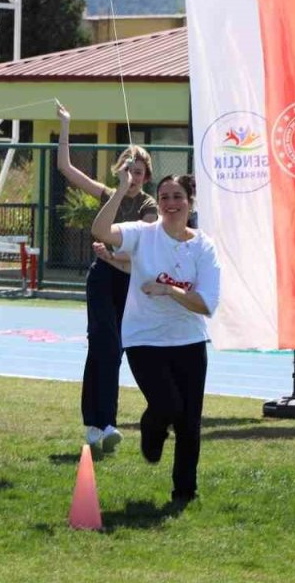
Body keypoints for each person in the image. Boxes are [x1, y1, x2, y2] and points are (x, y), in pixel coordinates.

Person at [91, 170, 221, 503]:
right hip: (144, 339)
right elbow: (100, 231)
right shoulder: (142, 234)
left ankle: (184, 492)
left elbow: (205, 304)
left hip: (189, 340)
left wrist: (169, 289)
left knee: (189, 422)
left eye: (178, 196)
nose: (171, 203)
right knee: (167, 404)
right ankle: (151, 430)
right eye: (164, 197)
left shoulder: (204, 247)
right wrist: (120, 190)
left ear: (190, 202)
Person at [56, 101, 158, 452]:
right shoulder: (110, 192)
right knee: (104, 346)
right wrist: (66, 125)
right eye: (130, 170)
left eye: (141, 172)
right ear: (121, 171)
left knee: (112, 353)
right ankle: (101, 425)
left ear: (147, 176)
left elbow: (134, 255)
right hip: (102, 280)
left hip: (127, 281)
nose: (135, 177)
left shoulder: (149, 207)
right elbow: (66, 168)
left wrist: (113, 255)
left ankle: (100, 424)